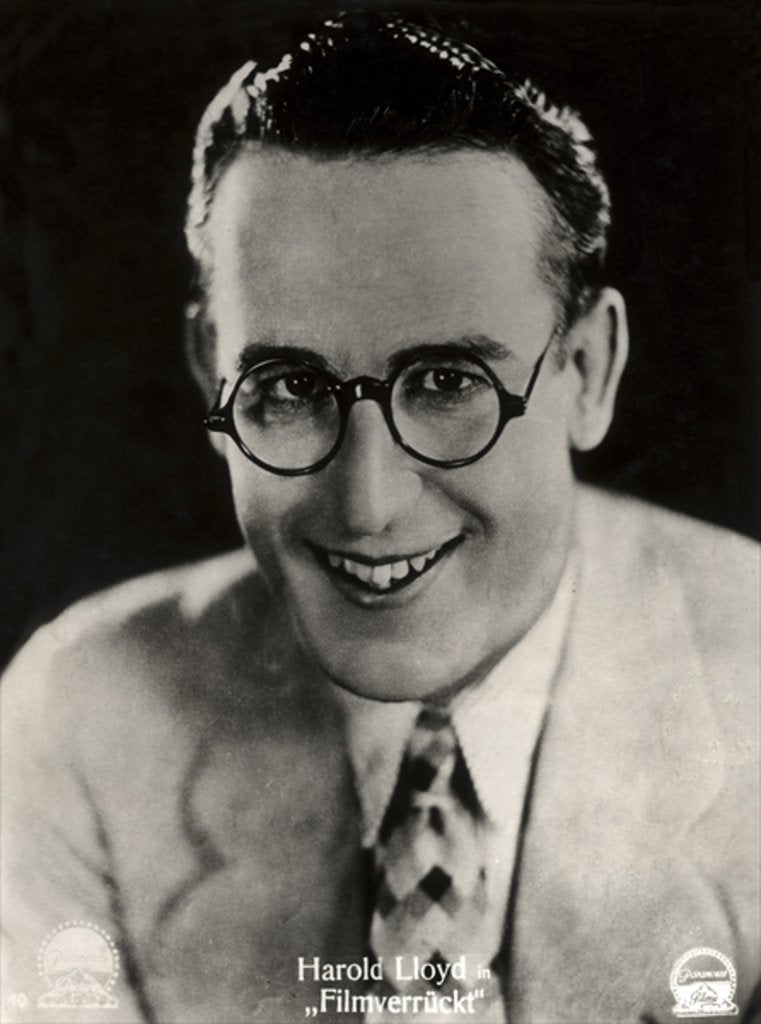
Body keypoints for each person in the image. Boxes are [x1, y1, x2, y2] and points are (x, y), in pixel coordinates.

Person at [1, 12, 758, 1024]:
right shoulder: (78, 719)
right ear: (207, 379)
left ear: (586, 371)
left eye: (446, 381)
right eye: (286, 387)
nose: (366, 504)